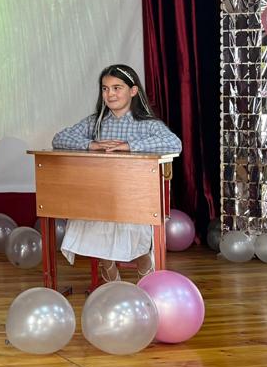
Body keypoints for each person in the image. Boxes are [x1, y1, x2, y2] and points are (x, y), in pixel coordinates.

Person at [51, 63, 182, 281]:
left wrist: (129, 146)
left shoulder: (147, 124)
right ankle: (108, 266)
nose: (110, 94)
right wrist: (91, 144)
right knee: (89, 215)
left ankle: (144, 261)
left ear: (133, 91)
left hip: (135, 197)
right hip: (101, 195)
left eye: (116, 88)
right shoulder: (95, 122)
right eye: (105, 89)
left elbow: (174, 143)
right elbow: (59, 138)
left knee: (130, 221)